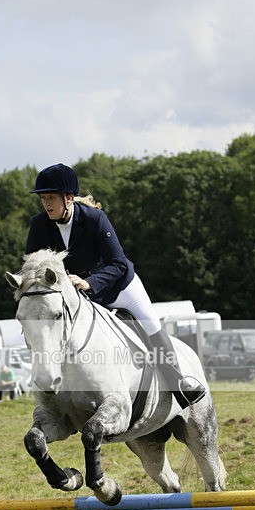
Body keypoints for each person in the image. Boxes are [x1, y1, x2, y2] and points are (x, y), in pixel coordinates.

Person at [25, 163, 206, 408]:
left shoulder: (94, 219)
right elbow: (33, 266)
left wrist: (88, 282)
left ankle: (179, 383)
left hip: (119, 286)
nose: (46, 204)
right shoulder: (39, 225)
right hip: (79, 294)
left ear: (68, 198)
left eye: (51, 198)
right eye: (43, 198)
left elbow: (118, 263)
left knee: (150, 323)